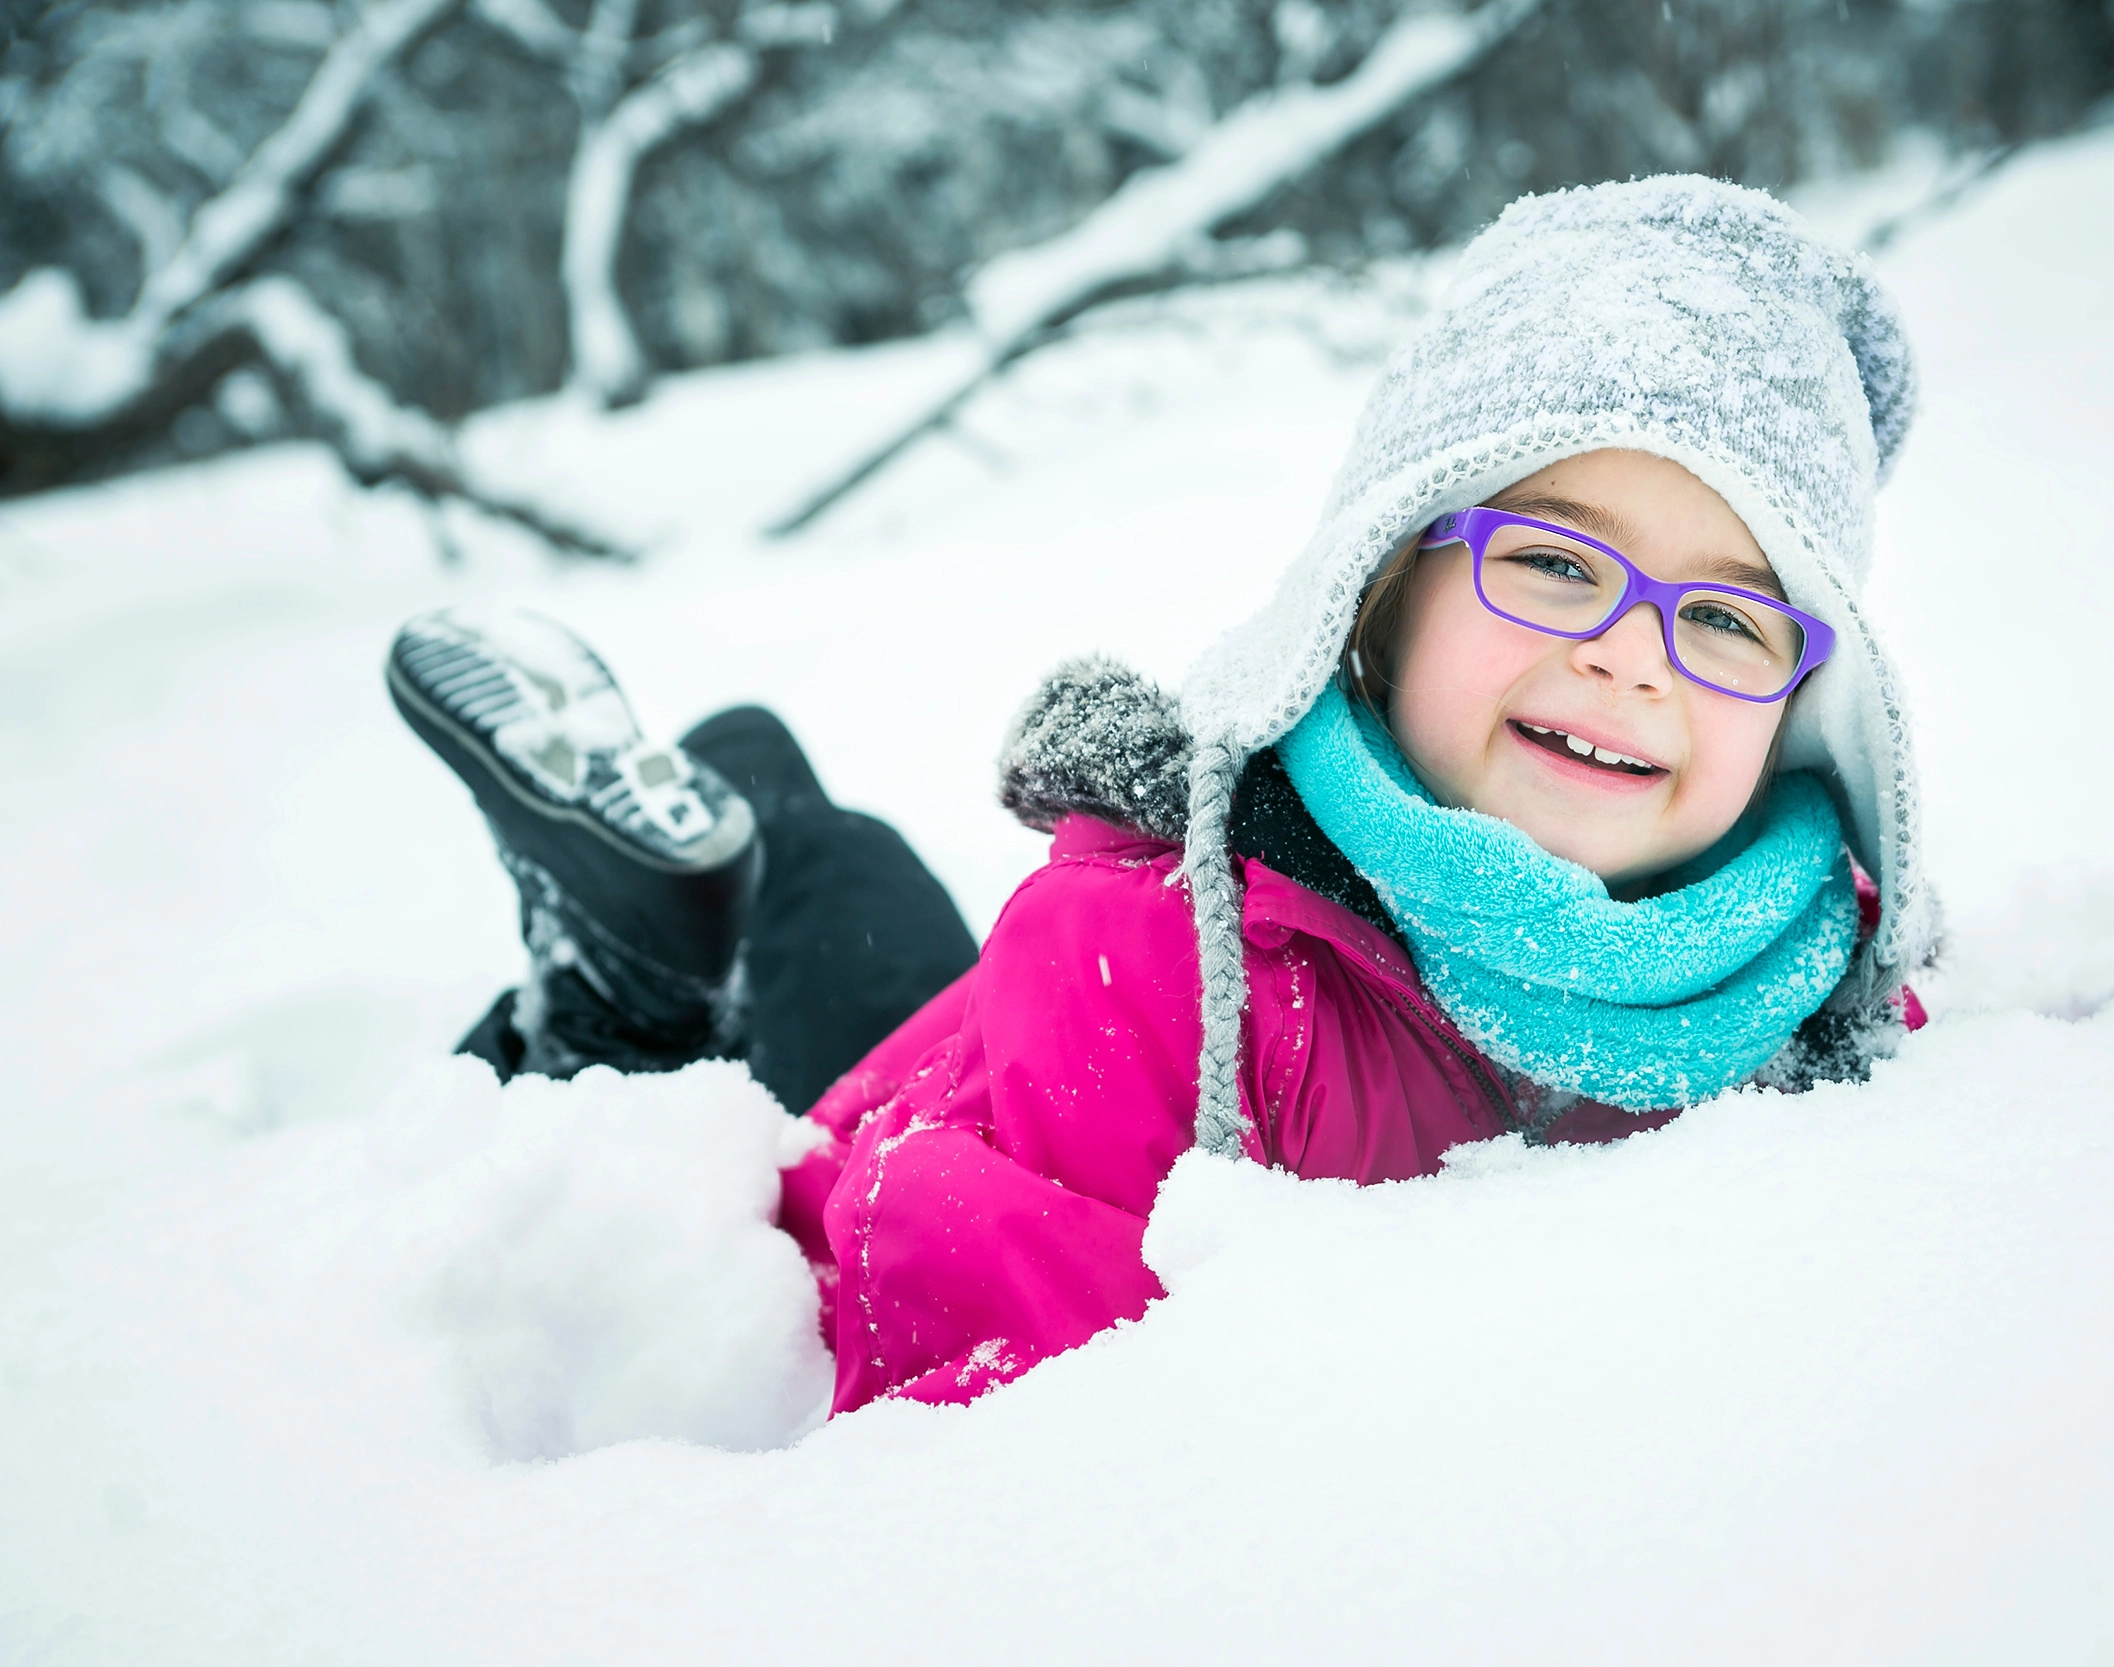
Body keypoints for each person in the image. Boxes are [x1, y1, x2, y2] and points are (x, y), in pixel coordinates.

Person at [391, 175, 1937, 1414]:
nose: (1633, 659)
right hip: (853, 1162)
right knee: (810, 941)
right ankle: (644, 975)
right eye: (1550, 560)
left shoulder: (1809, 988)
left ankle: (751, 803)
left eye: (1728, 616)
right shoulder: (1162, 953)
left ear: (1801, 705)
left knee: (848, 897)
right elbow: (1012, 1411)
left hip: (964, 1032)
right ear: (1382, 596)